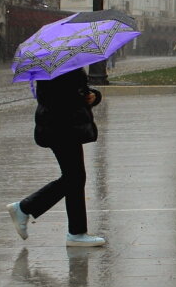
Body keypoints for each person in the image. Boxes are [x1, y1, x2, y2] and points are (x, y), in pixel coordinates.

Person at [7, 67, 106, 246]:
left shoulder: (65, 65)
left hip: (65, 127)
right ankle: (25, 208)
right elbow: (60, 98)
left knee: (75, 177)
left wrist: (93, 95)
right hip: (61, 128)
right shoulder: (56, 69)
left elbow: (80, 92)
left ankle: (76, 232)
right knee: (73, 177)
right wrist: (83, 96)